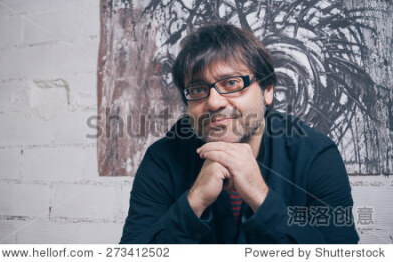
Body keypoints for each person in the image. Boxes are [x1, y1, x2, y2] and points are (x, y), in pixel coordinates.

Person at [120, 23, 359, 244]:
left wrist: (260, 196)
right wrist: (195, 201)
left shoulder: (316, 155)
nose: (213, 102)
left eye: (232, 83)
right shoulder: (163, 158)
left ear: (267, 90)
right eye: (198, 89)